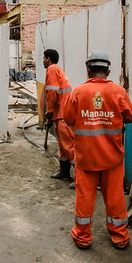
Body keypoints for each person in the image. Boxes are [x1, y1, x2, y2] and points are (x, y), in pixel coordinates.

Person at [62, 50, 132, 250]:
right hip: (112, 158)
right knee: (115, 198)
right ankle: (120, 236)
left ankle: (82, 237)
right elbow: (130, 117)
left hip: (86, 157)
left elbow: (68, 119)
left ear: (88, 70)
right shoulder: (119, 92)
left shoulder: (78, 92)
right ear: (108, 71)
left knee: (85, 197)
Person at [42, 49, 75, 181]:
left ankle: (80, 177)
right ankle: (64, 171)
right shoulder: (58, 70)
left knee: (69, 145)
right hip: (62, 112)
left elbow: (52, 92)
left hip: (63, 113)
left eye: (44, 58)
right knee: (62, 144)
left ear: (49, 59)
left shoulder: (51, 69)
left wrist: (49, 112)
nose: (43, 61)